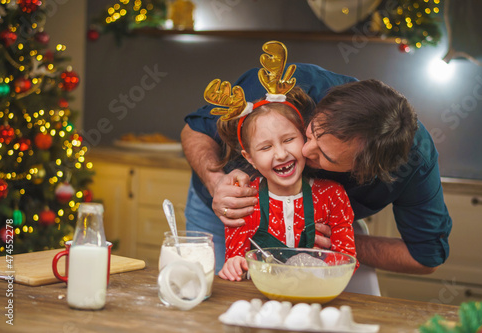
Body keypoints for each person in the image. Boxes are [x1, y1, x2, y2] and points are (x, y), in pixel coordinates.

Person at [181, 45, 452, 292]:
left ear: (365, 173)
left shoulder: (415, 163)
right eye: (311, 134)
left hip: (321, 243)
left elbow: (426, 257)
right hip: (229, 213)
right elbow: (194, 130)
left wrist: (337, 240)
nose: (303, 151)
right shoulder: (283, 87)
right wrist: (216, 183)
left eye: (325, 157)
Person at [182, 62, 357, 275]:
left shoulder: (334, 195)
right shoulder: (244, 202)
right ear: (250, 158)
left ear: (305, 137)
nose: (281, 154)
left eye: (289, 139)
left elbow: (347, 258)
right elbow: (236, 258)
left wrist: (323, 267)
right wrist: (234, 266)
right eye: (266, 147)